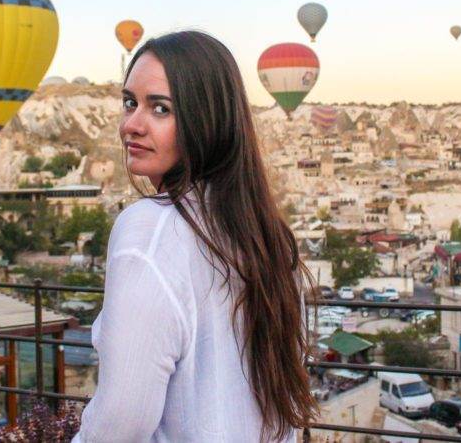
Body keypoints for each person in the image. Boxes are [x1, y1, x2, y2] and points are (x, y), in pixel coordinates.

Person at [74, 31, 315, 442]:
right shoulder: (267, 240)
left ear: (207, 120)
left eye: (160, 109)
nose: (132, 125)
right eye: (130, 103)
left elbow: (119, 423)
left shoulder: (150, 230)